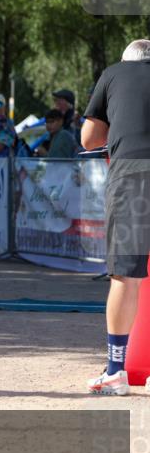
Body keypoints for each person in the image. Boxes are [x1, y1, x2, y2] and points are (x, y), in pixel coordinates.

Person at [81, 39, 150, 395]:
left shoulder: (113, 74)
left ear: (127, 61)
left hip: (132, 174)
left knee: (125, 276)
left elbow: (89, 138)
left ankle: (115, 372)